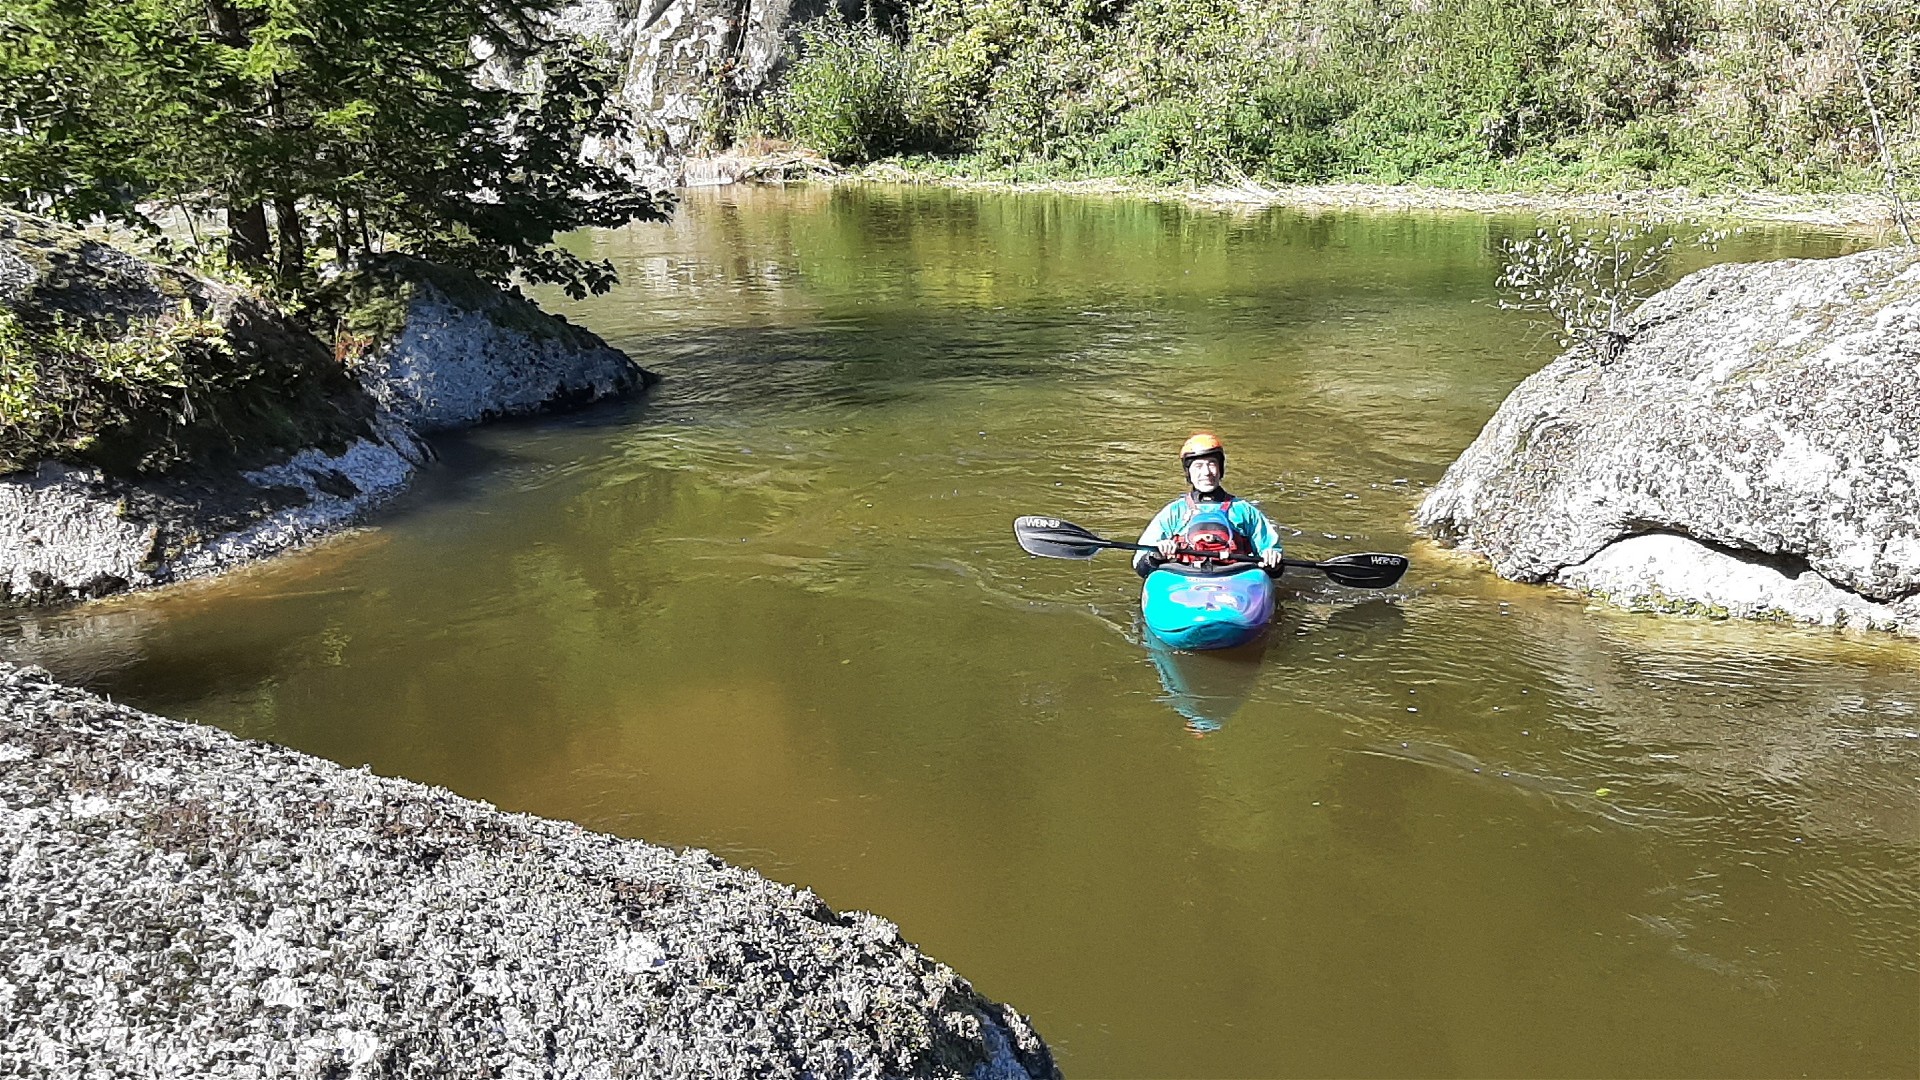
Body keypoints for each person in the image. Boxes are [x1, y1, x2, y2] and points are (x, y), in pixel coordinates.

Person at [1133, 432, 1285, 577]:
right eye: (1198, 466)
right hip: (1184, 578)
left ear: (1220, 469)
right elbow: (1141, 565)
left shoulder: (1244, 510)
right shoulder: (1173, 512)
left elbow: (1274, 563)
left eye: (1212, 464)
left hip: (1235, 577)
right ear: (1189, 473)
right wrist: (1157, 554)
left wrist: (1271, 558)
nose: (1206, 472)